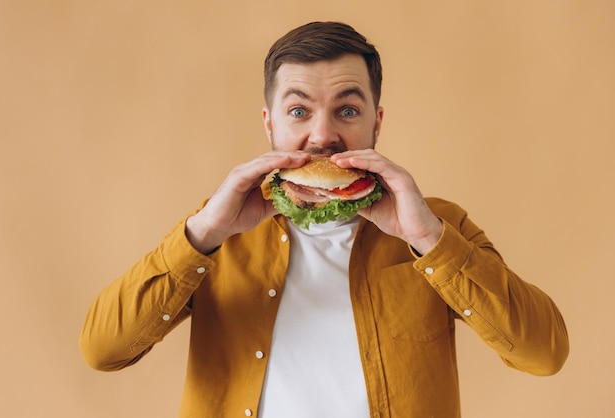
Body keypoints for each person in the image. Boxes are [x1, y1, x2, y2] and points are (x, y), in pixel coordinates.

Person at [80, 21, 569, 418]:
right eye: (298, 110)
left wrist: (428, 240)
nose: (322, 135)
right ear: (269, 122)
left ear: (376, 121)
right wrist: (205, 234)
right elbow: (103, 350)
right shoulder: (216, 230)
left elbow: (543, 354)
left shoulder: (439, 225)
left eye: (347, 109)